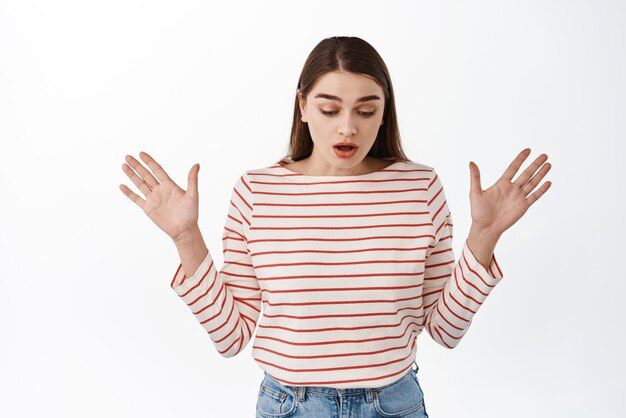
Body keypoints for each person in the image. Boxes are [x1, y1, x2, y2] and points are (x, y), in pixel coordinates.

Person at [119, 36, 552, 418]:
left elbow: (444, 329)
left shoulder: (419, 188)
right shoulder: (258, 191)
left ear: (385, 113)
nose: (348, 127)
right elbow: (231, 335)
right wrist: (185, 237)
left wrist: (484, 236)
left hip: (394, 405)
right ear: (303, 106)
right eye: (330, 109)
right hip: (290, 407)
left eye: (366, 110)